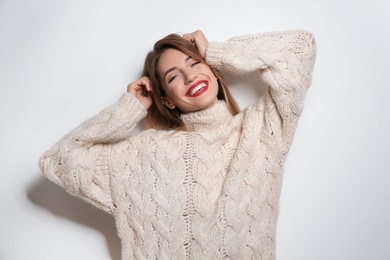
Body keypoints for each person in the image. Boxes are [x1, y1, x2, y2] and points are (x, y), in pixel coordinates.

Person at [39, 29, 316, 259]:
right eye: (173, 76)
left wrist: (216, 52)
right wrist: (128, 109)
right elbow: (60, 160)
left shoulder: (261, 131)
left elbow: (301, 48)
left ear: (213, 70)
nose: (190, 76)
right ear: (167, 100)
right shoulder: (144, 156)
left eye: (195, 63)